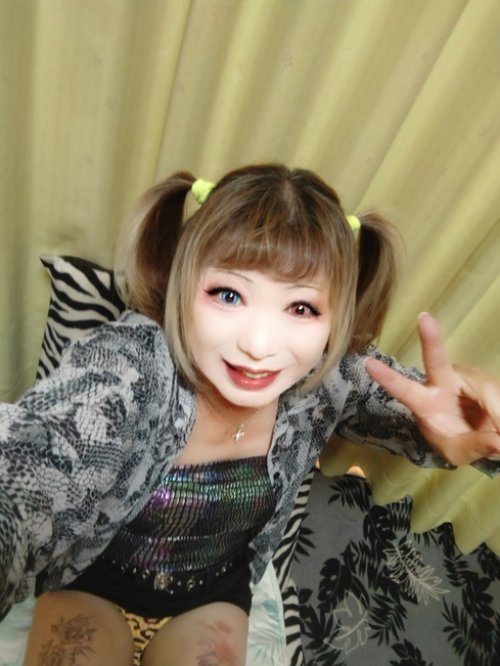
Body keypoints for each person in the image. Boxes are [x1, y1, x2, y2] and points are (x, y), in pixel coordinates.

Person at [0, 164, 499, 666]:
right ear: (182, 285)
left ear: (335, 321)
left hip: (212, 596)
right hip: (92, 582)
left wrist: (470, 429)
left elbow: (433, 415)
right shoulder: (131, 364)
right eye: (228, 295)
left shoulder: (332, 376)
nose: (258, 346)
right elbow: (37, 464)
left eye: (301, 308)